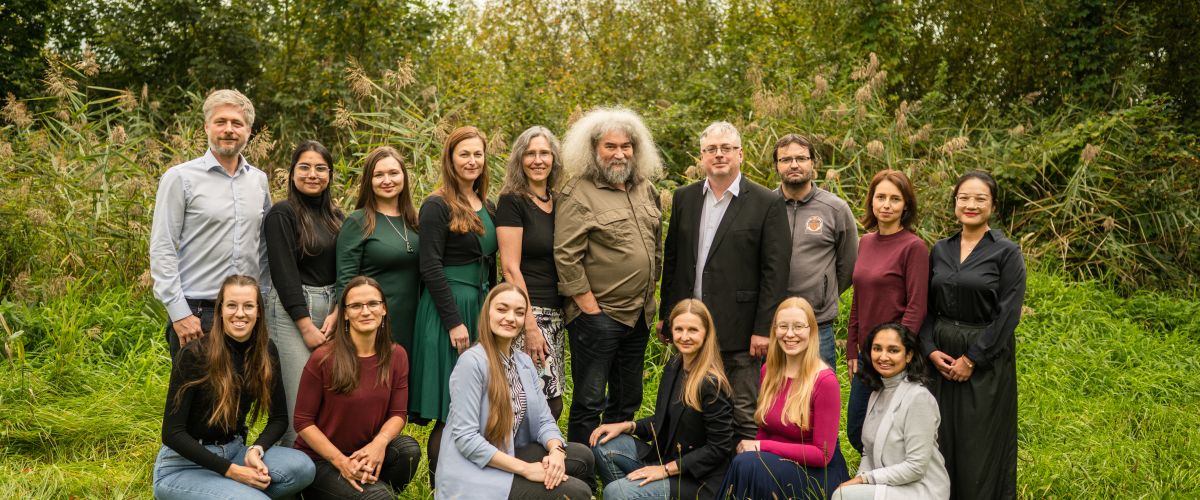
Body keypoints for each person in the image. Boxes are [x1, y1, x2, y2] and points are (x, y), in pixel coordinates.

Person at [660, 121, 791, 440]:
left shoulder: (766, 202)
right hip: (692, 326)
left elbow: (775, 271)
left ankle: (745, 469)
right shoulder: (685, 198)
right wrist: (667, 315)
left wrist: (764, 328)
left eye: (726, 148)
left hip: (741, 330)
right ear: (702, 156)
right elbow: (673, 259)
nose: (719, 155)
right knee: (692, 408)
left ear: (740, 154)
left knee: (743, 411)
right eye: (711, 149)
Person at [555, 107, 663, 444]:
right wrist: (590, 309)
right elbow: (566, 256)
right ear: (593, 150)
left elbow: (656, 244)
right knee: (589, 401)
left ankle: (615, 463)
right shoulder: (578, 193)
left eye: (626, 146)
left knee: (627, 400)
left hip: (639, 316)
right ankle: (582, 468)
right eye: (610, 146)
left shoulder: (645, 189)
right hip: (598, 317)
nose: (620, 154)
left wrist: (652, 291)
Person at [153, 275, 315, 499]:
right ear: (220, 310)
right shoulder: (194, 354)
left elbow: (279, 419)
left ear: (259, 312)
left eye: (248, 306)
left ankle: (229, 492)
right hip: (183, 466)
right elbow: (172, 433)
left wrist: (256, 449)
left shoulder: (265, 351)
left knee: (303, 468)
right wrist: (232, 472)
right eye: (231, 305)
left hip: (234, 451)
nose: (240, 313)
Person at [436, 283, 595, 500]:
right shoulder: (472, 362)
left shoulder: (523, 362)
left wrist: (556, 451)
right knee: (577, 492)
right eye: (502, 309)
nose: (511, 318)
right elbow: (466, 438)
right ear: (488, 313)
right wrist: (526, 470)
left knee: (582, 457)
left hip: (508, 452)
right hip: (474, 469)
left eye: (519, 312)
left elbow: (544, 420)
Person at [921, 170, 1025, 500]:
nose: (971, 205)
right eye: (964, 197)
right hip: (940, 361)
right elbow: (926, 307)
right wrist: (929, 349)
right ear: (954, 202)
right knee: (938, 441)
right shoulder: (941, 249)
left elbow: (1008, 315)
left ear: (992, 205)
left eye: (980, 199)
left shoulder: (1006, 252)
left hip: (984, 360)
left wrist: (972, 359)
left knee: (978, 446)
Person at [150, 89, 272, 360]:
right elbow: (162, 247)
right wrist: (179, 313)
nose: (228, 129)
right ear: (207, 126)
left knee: (245, 387)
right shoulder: (180, 178)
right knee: (195, 388)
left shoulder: (259, 181)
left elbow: (264, 245)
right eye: (221, 122)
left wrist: (262, 298)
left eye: (237, 123)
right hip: (196, 314)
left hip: (246, 314)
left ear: (249, 131)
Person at [409, 126, 499, 482]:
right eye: (464, 154)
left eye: (478, 154)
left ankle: (468, 482)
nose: (472, 161)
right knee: (451, 409)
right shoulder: (436, 204)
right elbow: (429, 266)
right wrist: (453, 322)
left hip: (480, 308)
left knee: (475, 405)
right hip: (448, 310)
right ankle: (439, 485)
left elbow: (492, 266)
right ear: (450, 159)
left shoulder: (487, 205)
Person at [590, 299, 735, 500]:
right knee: (602, 444)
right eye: (679, 329)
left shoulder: (712, 383)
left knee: (615, 492)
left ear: (706, 333)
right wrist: (627, 426)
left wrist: (666, 470)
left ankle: (626, 493)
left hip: (696, 480)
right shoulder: (675, 366)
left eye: (693, 330)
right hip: (665, 460)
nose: (685, 336)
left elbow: (719, 448)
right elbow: (664, 420)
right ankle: (633, 492)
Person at [294, 276, 421, 499]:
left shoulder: (397, 355)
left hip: (365, 452)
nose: (365, 311)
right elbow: (303, 422)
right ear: (345, 313)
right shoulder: (323, 358)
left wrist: (379, 444)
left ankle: (370, 489)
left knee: (408, 451)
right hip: (322, 461)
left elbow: (398, 414)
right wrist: (341, 461)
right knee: (379, 498)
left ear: (384, 309)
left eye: (373, 304)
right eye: (356, 306)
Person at [720, 297, 849, 500]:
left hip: (814, 473)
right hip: (773, 463)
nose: (789, 334)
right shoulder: (769, 371)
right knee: (746, 462)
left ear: (811, 331)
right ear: (774, 330)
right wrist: (755, 452)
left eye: (798, 326)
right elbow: (764, 428)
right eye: (783, 326)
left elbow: (821, 455)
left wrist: (761, 448)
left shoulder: (825, 381)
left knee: (746, 465)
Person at [264, 140, 344, 446]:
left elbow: (346, 268)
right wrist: (305, 324)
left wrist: (338, 310)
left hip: (332, 309)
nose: (313, 174)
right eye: (305, 167)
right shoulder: (282, 214)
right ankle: (291, 465)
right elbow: (283, 273)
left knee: (329, 394)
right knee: (298, 399)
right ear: (292, 173)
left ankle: (322, 466)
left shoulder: (337, 217)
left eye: (321, 168)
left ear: (330, 175)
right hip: (293, 310)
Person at [845, 169, 929, 453]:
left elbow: (917, 305)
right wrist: (853, 349)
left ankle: (891, 476)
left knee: (891, 431)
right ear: (871, 201)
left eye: (895, 199)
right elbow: (859, 299)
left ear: (906, 205)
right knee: (857, 429)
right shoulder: (865, 242)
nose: (886, 205)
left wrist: (898, 352)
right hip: (867, 355)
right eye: (880, 197)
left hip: (894, 357)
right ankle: (877, 472)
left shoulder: (913, 247)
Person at [496, 126, 567, 420]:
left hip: (557, 314)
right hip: (528, 311)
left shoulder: (560, 200)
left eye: (544, 153)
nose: (538, 160)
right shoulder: (512, 201)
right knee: (537, 404)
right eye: (530, 154)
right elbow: (510, 268)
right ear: (519, 159)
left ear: (554, 159)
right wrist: (529, 325)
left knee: (550, 401)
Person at [832, 323, 949, 500]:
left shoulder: (919, 398)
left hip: (919, 490)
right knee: (846, 494)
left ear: (908, 355)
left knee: (842, 496)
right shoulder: (877, 392)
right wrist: (859, 481)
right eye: (877, 349)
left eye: (893, 350)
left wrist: (864, 480)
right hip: (888, 485)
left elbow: (916, 467)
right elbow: (867, 453)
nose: (883, 356)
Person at [774, 134, 858, 369]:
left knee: (819, 388)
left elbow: (849, 264)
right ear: (777, 165)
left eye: (801, 158)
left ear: (813, 162)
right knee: (772, 389)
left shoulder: (835, 209)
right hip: (774, 324)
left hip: (817, 325)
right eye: (786, 159)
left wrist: (824, 292)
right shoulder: (764, 206)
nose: (794, 165)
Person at [335, 146, 421, 351]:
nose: (387, 180)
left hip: (415, 321)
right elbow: (345, 282)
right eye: (379, 175)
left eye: (393, 173)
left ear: (404, 176)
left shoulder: (416, 221)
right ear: (369, 181)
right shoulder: (358, 221)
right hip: (374, 323)